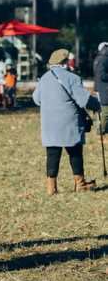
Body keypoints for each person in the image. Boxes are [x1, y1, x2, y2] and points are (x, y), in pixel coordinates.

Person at [33, 49, 102, 194]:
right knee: (75, 152)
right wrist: (97, 107)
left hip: (49, 124)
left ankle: (51, 188)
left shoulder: (44, 78)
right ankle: (80, 184)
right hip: (69, 122)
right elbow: (85, 99)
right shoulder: (72, 78)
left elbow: (36, 99)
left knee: (52, 154)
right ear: (65, 63)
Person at [95, 42, 108, 143]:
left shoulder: (102, 58)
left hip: (104, 89)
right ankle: (101, 134)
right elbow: (102, 75)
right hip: (104, 89)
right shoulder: (103, 58)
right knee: (105, 113)